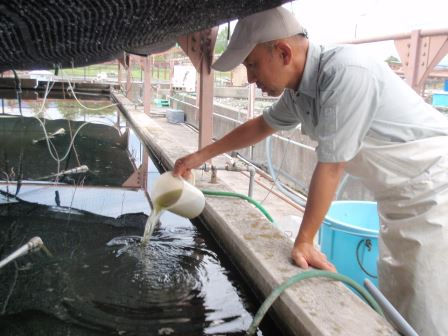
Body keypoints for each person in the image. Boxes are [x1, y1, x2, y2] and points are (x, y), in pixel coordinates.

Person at [173, 6, 448, 335]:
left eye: (252, 64)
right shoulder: (300, 89)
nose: (250, 78)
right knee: (397, 303)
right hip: (397, 202)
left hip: (435, 196)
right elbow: (262, 125)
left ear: (284, 52)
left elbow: (331, 167)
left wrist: (304, 241)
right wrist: (200, 156)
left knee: (426, 310)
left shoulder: (347, 73)